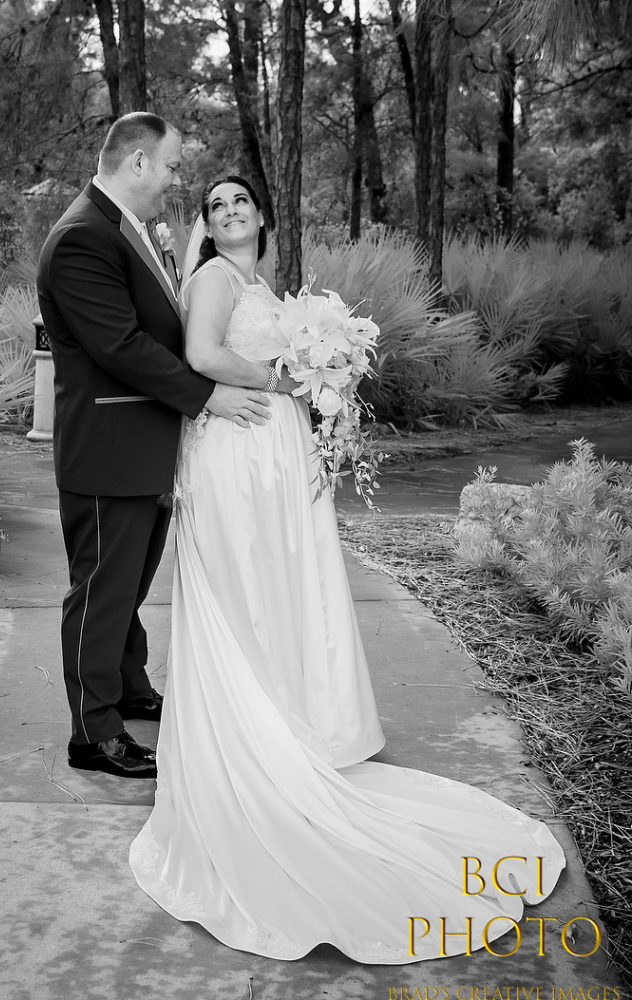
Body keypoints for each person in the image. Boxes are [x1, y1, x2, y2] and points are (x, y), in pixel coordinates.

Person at [128, 175, 567, 963]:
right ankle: (254, 743)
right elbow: (200, 356)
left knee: (278, 592)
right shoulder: (211, 279)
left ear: (263, 218)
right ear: (208, 225)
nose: (229, 213)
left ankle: (290, 722)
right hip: (233, 453)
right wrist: (288, 377)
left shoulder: (261, 283)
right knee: (241, 591)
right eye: (216, 206)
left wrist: (319, 377)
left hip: (269, 448)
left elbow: (258, 358)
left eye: (241, 203)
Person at [36, 115, 276, 780]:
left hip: (145, 445)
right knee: (101, 591)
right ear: (138, 162)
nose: (176, 179)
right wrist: (208, 398)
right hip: (108, 450)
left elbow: (157, 324)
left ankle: (129, 687)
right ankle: (94, 732)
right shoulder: (83, 236)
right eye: (171, 165)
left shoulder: (124, 230)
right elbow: (122, 347)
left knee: (130, 584)